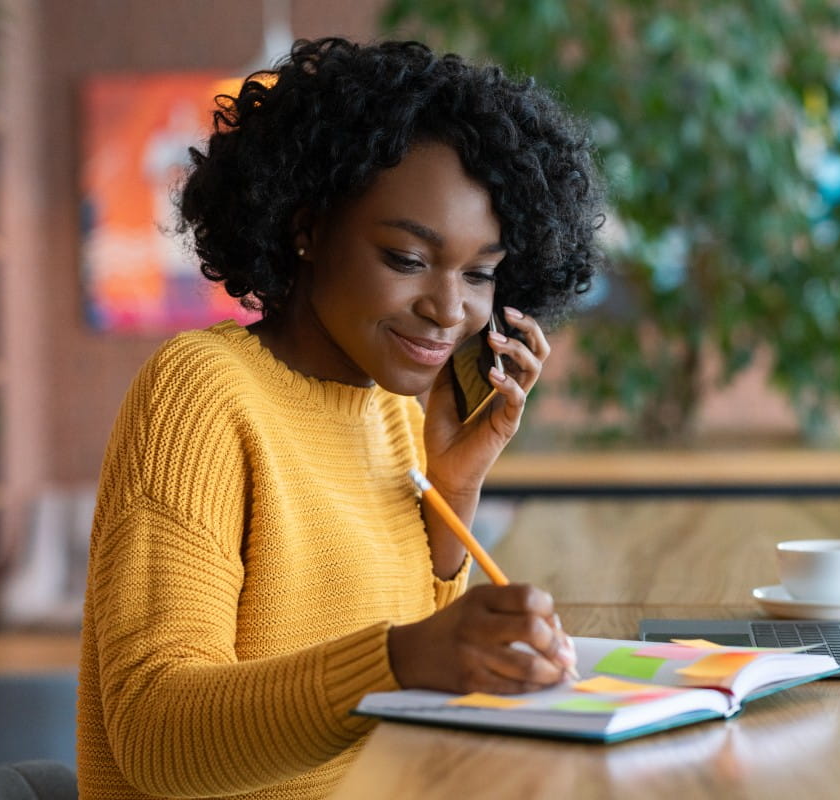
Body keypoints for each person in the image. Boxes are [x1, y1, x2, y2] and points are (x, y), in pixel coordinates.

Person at [77, 37, 604, 800]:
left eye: (481, 273)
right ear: (308, 227)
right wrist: (404, 658)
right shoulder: (201, 394)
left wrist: (452, 495)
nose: (449, 309)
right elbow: (155, 737)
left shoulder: (390, 411)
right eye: (406, 258)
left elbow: (406, 710)